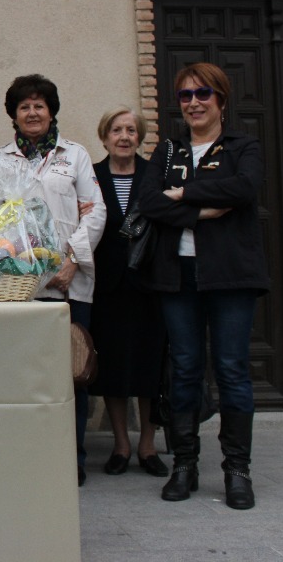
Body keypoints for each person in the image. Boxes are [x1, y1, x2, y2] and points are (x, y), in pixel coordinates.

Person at [137, 62, 269, 510]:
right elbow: (149, 200)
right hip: (178, 275)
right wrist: (204, 207)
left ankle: (236, 470)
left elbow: (245, 188)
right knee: (185, 370)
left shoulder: (242, 146)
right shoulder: (169, 150)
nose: (194, 102)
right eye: (185, 96)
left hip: (231, 274)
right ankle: (185, 464)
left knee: (232, 370)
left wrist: (185, 193)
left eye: (203, 94)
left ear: (221, 100)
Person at [0, 74, 106, 486]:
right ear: (13, 115)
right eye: (24, 106)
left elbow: (95, 210)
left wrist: (70, 260)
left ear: (51, 111)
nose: (32, 112)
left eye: (39, 105)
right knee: (22, 374)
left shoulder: (76, 155)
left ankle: (73, 458)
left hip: (69, 282)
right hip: (17, 287)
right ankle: (27, 457)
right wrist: (18, 267)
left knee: (72, 373)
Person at [89, 106, 168, 479]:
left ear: (140, 137)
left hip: (149, 284)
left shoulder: (157, 175)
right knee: (115, 367)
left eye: (131, 131)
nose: (124, 137)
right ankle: (121, 444)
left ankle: (148, 444)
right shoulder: (92, 175)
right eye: (117, 130)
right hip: (108, 286)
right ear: (105, 137)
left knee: (150, 366)